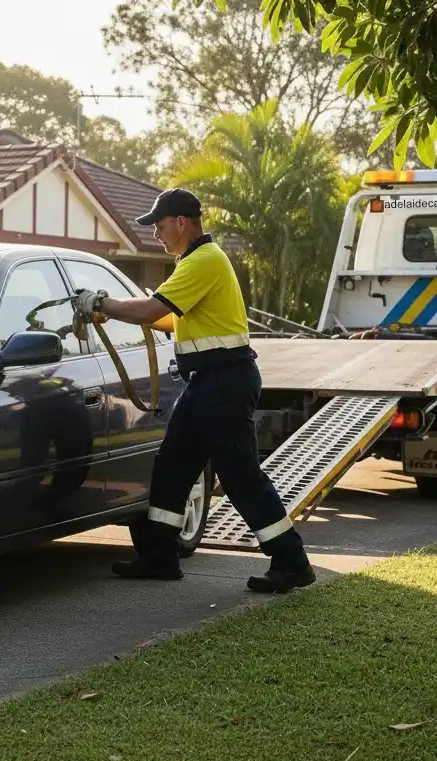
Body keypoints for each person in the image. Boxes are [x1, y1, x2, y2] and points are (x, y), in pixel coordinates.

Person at [71, 188, 317, 593]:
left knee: (240, 478)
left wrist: (103, 302)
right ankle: (160, 556)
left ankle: (291, 561)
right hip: (208, 383)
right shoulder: (195, 262)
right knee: (173, 466)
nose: (156, 235)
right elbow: (168, 320)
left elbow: (153, 311)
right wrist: (113, 312)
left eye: (160, 226)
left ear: (181, 223)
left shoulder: (204, 261)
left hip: (223, 383)